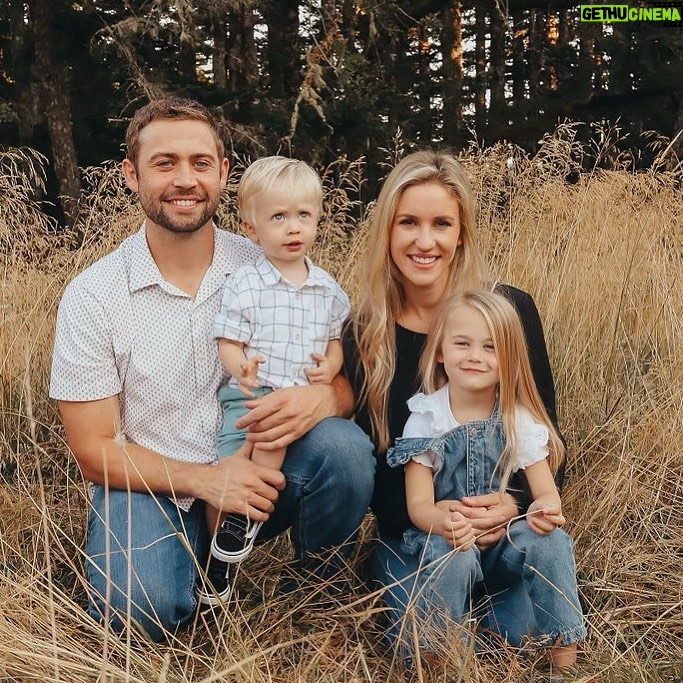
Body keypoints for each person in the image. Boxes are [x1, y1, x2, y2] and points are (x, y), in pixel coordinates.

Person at [49, 97, 374, 641]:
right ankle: (191, 568)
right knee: (138, 613)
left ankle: (315, 589)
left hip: (264, 469)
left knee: (344, 449)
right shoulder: (93, 296)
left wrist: (324, 400)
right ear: (131, 174)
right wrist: (208, 481)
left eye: (200, 163)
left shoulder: (270, 261)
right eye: (164, 162)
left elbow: (340, 378)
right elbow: (93, 448)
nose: (185, 179)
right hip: (155, 485)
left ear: (224, 173)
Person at [341, 150, 583, 665]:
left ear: (461, 234)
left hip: (503, 529)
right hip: (420, 536)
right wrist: (436, 517)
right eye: (408, 222)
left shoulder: (507, 311)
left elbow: (543, 437)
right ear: (387, 229)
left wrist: (512, 506)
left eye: (441, 224)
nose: (424, 241)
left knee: (517, 641)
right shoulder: (366, 332)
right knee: (430, 652)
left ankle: (507, 615)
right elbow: (376, 472)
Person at [386, 290, 584, 669]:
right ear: (441, 350)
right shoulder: (427, 417)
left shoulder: (518, 417)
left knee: (551, 539)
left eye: (490, 347)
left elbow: (545, 491)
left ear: (508, 360)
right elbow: (418, 506)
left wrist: (544, 509)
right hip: (444, 542)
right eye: (462, 343)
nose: (475, 355)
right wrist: (446, 523)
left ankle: (565, 659)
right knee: (451, 557)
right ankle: (437, 656)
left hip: (501, 542)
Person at [205, 156, 350, 601]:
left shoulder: (327, 288)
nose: (293, 228)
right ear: (252, 229)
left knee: (269, 438)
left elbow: (334, 340)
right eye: (279, 217)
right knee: (230, 465)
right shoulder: (245, 283)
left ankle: (244, 523)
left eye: (303, 216)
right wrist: (240, 367)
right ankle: (219, 554)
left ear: (317, 219)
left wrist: (331, 367)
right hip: (247, 395)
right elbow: (227, 340)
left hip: (295, 399)